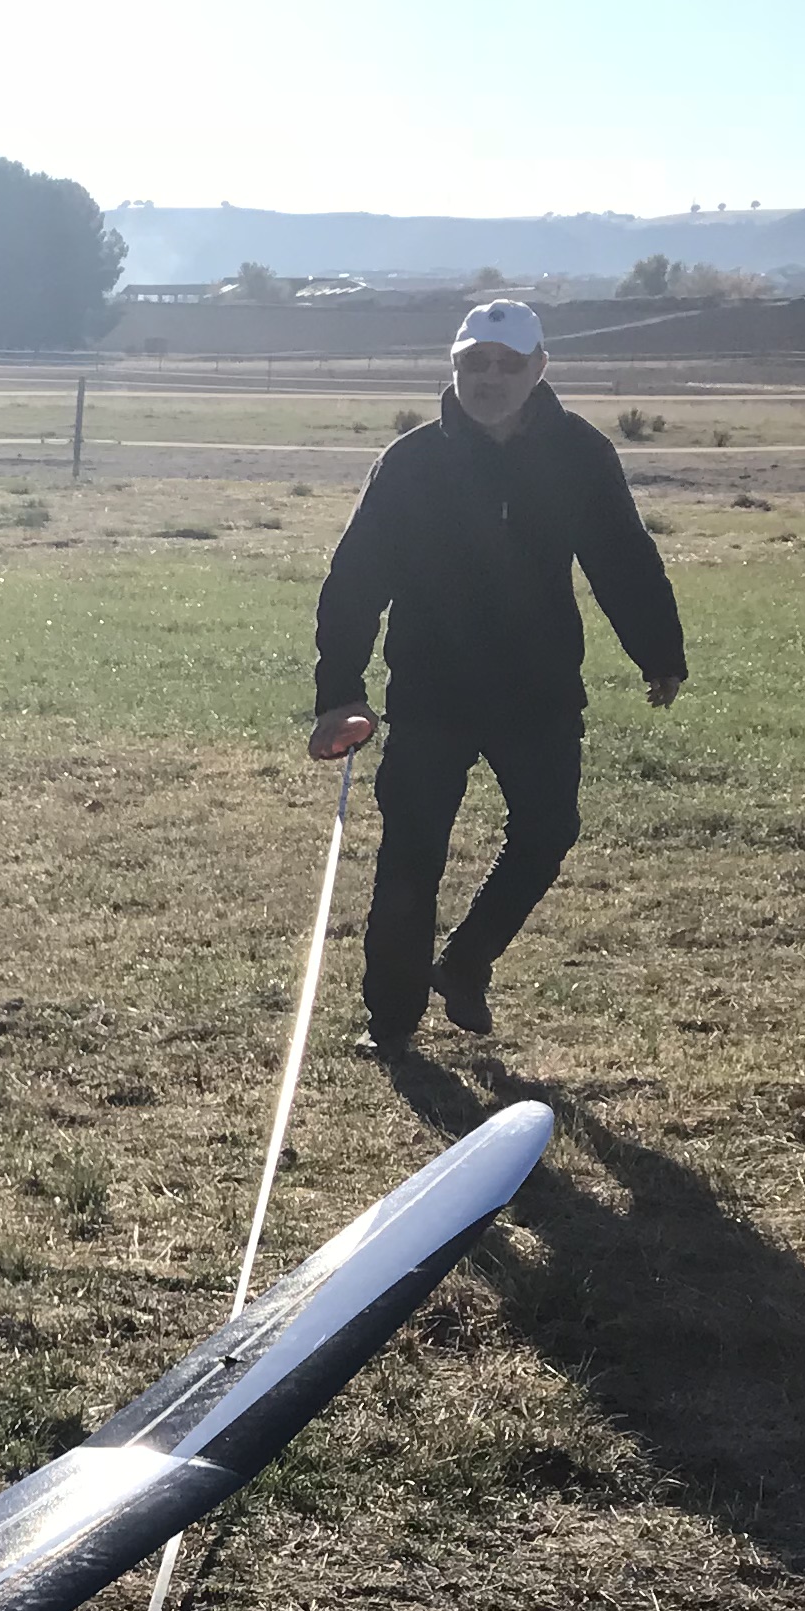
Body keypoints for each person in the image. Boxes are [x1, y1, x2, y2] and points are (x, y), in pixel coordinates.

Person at [310, 299, 686, 1050]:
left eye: (508, 364)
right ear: (454, 366)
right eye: (475, 362)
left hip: (538, 688)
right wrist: (340, 692)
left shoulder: (580, 454)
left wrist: (658, 651)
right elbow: (355, 578)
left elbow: (621, 556)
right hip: (431, 689)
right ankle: (391, 1023)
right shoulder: (411, 463)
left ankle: (467, 961)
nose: (490, 377)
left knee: (548, 831)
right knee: (412, 853)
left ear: (539, 368)